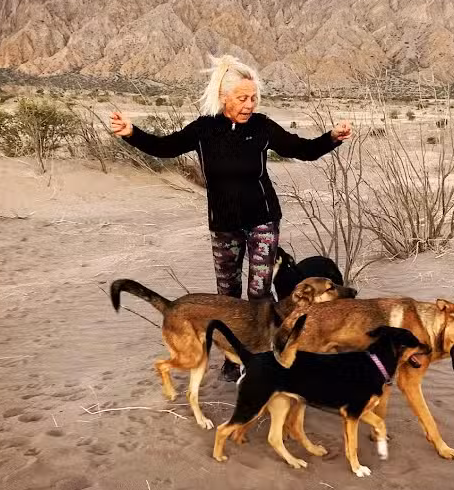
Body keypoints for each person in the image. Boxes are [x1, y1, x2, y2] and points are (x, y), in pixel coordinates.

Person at [110, 55, 352, 379]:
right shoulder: (204, 129)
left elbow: (301, 149)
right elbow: (165, 146)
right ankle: (232, 358)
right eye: (242, 98)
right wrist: (131, 133)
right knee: (227, 296)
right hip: (224, 226)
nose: (249, 104)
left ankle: (264, 358)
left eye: (253, 97)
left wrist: (332, 138)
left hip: (263, 221)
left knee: (259, 294)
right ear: (224, 97)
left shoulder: (262, 127)